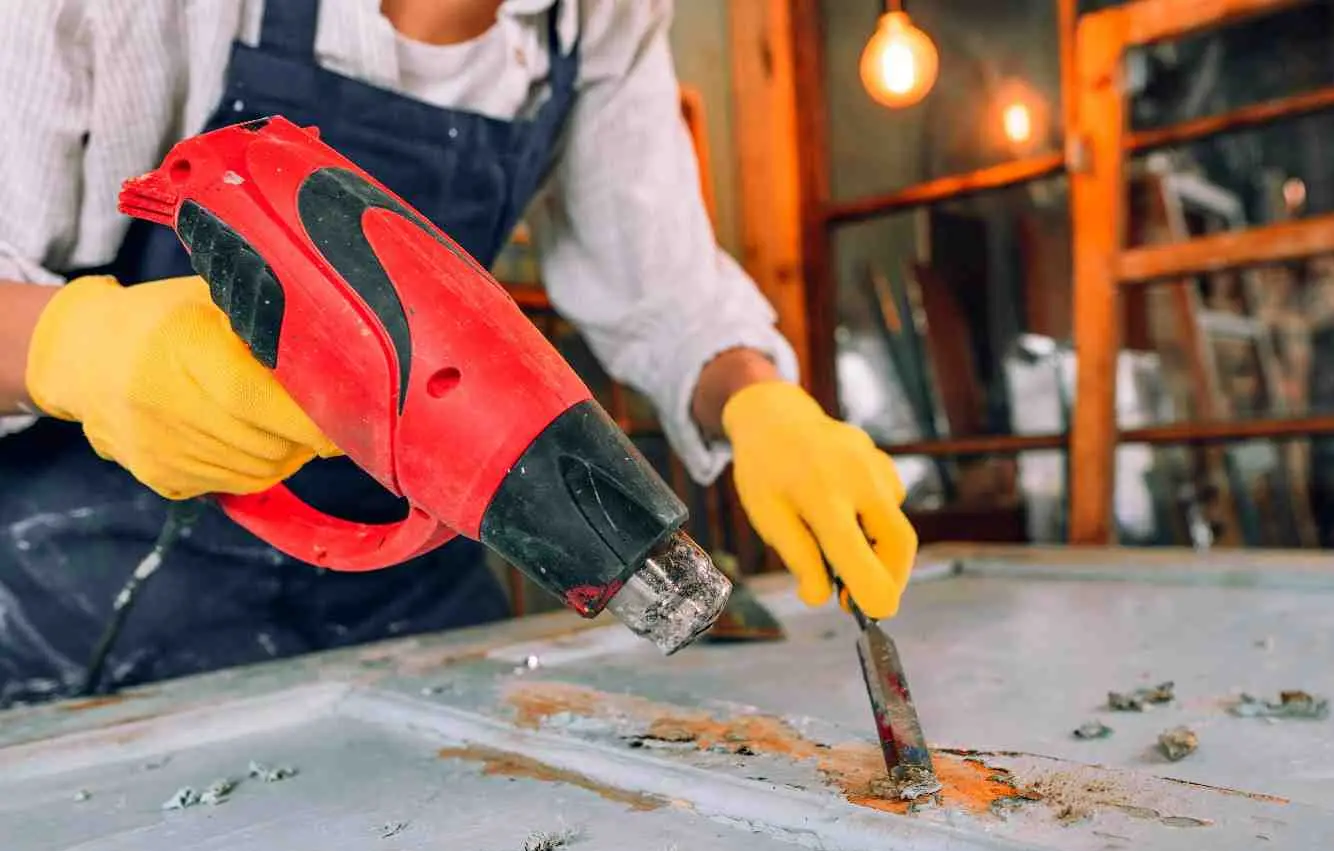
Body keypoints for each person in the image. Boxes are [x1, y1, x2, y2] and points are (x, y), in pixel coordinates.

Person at [0, 0, 917, 707]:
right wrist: (77, 348)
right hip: (89, 592)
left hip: (403, 587)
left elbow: (664, 287)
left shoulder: (597, 16)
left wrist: (762, 405)